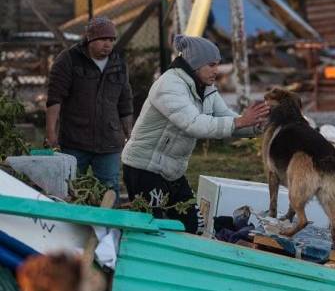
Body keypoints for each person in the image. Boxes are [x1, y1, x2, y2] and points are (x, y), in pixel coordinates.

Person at [122, 34, 269, 234]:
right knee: (150, 228)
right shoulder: (170, 85)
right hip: (144, 169)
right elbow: (194, 124)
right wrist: (240, 121)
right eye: (211, 65)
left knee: (192, 225)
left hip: (172, 170)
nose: (216, 71)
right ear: (194, 64)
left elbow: (227, 118)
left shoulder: (206, 89)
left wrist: (259, 125)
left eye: (218, 64)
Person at [46, 17, 133, 196]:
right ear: (90, 40)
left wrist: (129, 134)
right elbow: (55, 98)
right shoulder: (69, 60)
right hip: (75, 141)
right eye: (102, 39)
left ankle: (108, 224)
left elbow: (125, 101)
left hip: (109, 143)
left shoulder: (118, 63)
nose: (107, 44)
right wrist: (51, 133)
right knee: (70, 189)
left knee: (109, 191)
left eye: (111, 40)